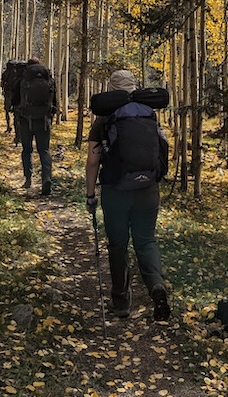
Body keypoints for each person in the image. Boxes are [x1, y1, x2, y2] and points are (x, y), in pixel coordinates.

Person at [85, 69, 171, 321]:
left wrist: (90, 195)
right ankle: (156, 286)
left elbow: (93, 159)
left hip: (115, 191)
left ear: (111, 89)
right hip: (147, 189)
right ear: (135, 86)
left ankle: (121, 302)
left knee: (118, 245)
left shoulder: (104, 117)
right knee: (146, 241)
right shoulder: (148, 112)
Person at [12, 56, 57, 195]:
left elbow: (14, 101)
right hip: (44, 121)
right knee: (44, 150)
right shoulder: (49, 81)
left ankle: (28, 178)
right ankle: (46, 178)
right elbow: (55, 102)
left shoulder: (22, 81)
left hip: (25, 120)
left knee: (27, 150)